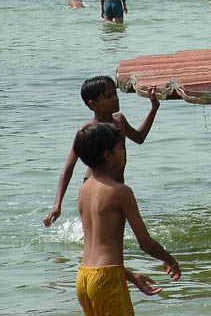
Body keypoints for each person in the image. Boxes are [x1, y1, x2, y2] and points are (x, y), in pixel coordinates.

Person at [73, 122, 180, 314]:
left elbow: (98, 248)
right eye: (120, 148)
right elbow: (145, 243)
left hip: (83, 277)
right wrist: (170, 260)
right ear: (107, 155)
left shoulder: (84, 190)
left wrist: (129, 276)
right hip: (106, 278)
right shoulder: (120, 192)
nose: (124, 153)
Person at [43, 76, 159, 228]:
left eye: (115, 94)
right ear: (93, 103)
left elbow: (139, 138)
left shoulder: (119, 121)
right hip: (95, 186)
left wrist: (153, 108)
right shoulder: (87, 131)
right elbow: (68, 168)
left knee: (115, 232)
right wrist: (57, 205)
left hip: (117, 185)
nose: (115, 99)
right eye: (109, 96)